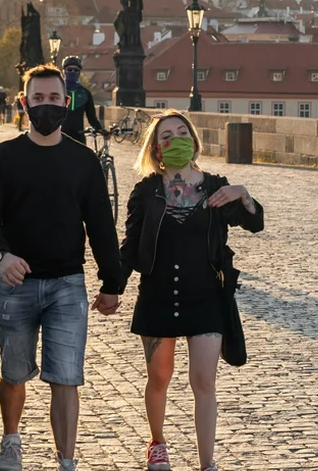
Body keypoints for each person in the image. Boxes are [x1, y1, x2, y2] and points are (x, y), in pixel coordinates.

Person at [0, 64, 124, 471]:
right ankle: (11, 439)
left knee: (66, 376)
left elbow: (101, 225)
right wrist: (1, 256)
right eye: (37, 99)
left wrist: (113, 281)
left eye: (54, 99)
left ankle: (66, 462)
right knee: (14, 371)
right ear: (24, 104)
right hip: (16, 282)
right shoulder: (3, 157)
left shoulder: (83, 161)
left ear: (66, 102)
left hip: (67, 284)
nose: (46, 106)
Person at [120, 110, 265, 471]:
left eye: (182, 132)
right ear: (156, 148)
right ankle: (157, 443)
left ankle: (207, 462)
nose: (175, 140)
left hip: (205, 296)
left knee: (204, 380)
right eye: (166, 135)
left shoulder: (216, 187)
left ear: (194, 139)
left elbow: (255, 222)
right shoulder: (146, 191)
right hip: (158, 294)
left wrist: (243, 193)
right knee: (159, 378)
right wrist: (113, 286)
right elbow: (131, 244)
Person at [59, 57, 105, 144]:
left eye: (76, 70)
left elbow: (92, 118)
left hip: (79, 137)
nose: (73, 72)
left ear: (79, 72)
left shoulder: (85, 93)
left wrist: (101, 130)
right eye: (69, 69)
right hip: (59, 137)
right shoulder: (56, 91)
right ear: (63, 71)